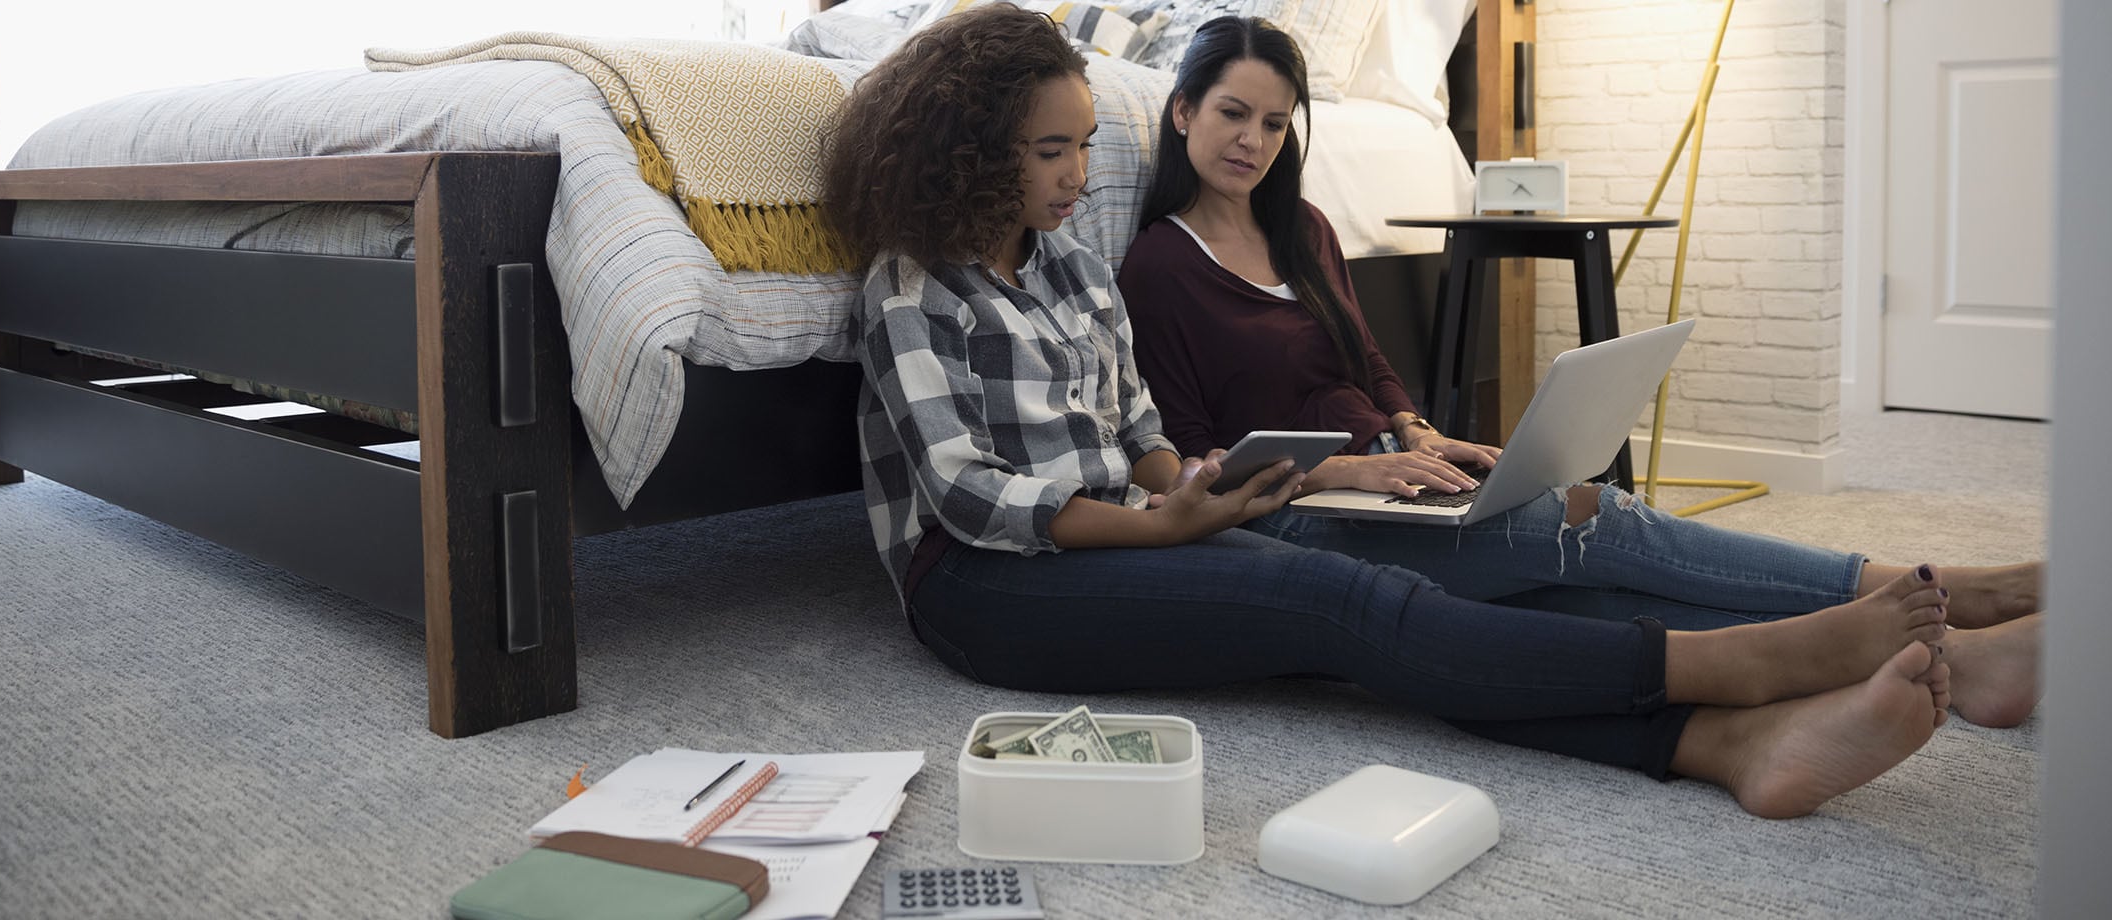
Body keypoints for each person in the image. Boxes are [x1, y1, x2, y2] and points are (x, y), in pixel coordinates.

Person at [823, 2, 1963, 820]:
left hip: (1121, 531)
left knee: (1380, 607)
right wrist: (1162, 525)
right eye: (1050, 151)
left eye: (1080, 144)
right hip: (986, 589)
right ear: (970, 156)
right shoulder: (912, 286)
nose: (1078, 172)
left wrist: (1195, 487)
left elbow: (1137, 427)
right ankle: (1730, 670)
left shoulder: (1070, 265)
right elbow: (972, 497)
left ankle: (1726, 742)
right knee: (1332, 598)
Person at [1114, 15, 2041, 731]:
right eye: (1233, 113)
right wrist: (1342, 473)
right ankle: (1944, 589)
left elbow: (1371, 361)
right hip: (1306, 520)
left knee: (1576, 592)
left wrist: (1413, 428)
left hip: (1397, 478)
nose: (1255, 140)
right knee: (1589, 516)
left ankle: (1951, 653)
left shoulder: (1304, 228)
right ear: (1183, 109)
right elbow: (1192, 462)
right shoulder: (1159, 267)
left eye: (1276, 123)